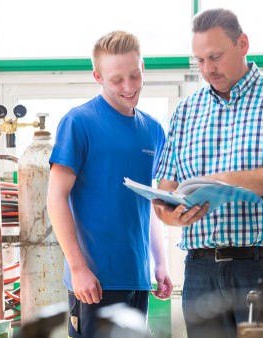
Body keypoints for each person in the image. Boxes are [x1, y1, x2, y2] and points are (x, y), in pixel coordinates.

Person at [153, 8, 263, 338]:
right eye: (199, 61)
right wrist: (173, 216)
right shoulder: (187, 111)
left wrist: (229, 180)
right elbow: (164, 194)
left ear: (242, 44)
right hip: (201, 272)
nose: (207, 69)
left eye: (214, 57)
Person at [47, 30, 173, 338]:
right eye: (117, 80)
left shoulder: (153, 130)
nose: (129, 87)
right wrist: (78, 269)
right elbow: (55, 198)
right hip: (94, 283)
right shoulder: (79, 123)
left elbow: (150, 202)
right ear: (98, 77)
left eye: (135, 75)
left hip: (138, 279)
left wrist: (160, 263)